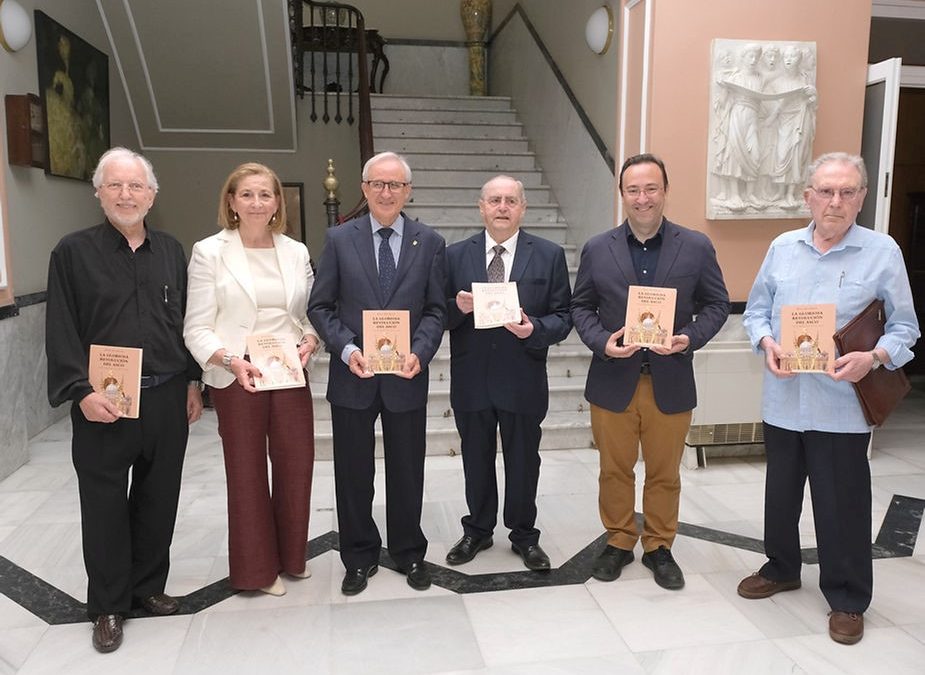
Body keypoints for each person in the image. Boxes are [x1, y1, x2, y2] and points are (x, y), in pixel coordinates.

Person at [737, 152, 919, 645]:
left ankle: (847, 597)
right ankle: (781, 567)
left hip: (841, 407)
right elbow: (756, 312)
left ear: (861, 197)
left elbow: (906, 327)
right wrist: (766, 342)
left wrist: (875, 357)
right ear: (807, 197)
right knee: (781, 494)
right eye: (825, 191)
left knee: (842, 504)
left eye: (846, 192)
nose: (834, 202)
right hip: (783, 399)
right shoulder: (781, 247)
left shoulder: (883, 252)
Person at [45, 147, 203, 653]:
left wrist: (193, 382)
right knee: (105, 504)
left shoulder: (172, 252)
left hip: (164, 398)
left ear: (152, 196)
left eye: (136, 186)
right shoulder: (71, 252)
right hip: (103, 402)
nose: (126, 194)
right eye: (115, 185)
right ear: (98, 193)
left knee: (159, 499)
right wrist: (79, 391)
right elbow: (61, 329)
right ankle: (109, 604)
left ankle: (146, 587)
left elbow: (187, 324)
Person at [571, 153, 730, 590]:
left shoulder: (695, 246)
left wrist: (689, 338)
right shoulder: (597, 247)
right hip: (612, 379)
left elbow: (717, 304)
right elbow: (580, 306)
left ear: (665, 191)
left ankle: (659, 545)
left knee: (665, 472)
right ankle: (620, 539)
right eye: (633, 190)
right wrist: (602, 341)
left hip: (671, 378)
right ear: (622, 194)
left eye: (651, 188)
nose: (643, 198)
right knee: (613, 470)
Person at [307, 151, 446, 595]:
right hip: (355, 377)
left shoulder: (430, 242)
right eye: (378, 184)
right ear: (364, 189)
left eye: (396, 185)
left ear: (408, 191)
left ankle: (408, 552)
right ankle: (359, 555)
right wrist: (347, 349)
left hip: (406, 377)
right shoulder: (339, 239)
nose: (387, 193)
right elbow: (320, 306)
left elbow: (436, 311)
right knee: (353, 473)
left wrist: (420, 353)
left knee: (407, 470)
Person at [184, 163, 320, 598]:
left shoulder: (296, 251)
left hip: (287, 369)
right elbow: (196, 327)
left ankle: (291, 557)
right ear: (231, 201)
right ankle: (257, 571)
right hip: (238, 372)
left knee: (296, 464)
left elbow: (304, 315)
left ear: (278, 202)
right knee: (245, 472)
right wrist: (227, 360)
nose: (257, 202)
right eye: (247, 194)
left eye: (266, 194)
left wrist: (311, 340)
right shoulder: (209, 252)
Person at [444, 176, 572, 571]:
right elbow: (436, 314)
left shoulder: (549, 255)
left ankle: (524, 535)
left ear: (523, 208)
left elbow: (564, 318)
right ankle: (478, 530)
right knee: (475, 459)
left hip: (523, 377)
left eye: (510, 201)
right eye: (495, 200)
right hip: (472, 379)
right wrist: (458, 308)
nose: (502, 207)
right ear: (480, 207)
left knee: (523, 461)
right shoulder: (453, 256)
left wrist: (535, 329)